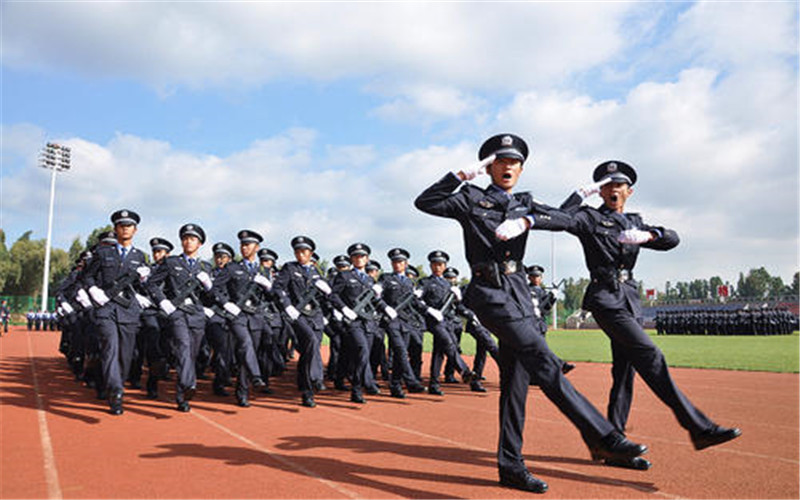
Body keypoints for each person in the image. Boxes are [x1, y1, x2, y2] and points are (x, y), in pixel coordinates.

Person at [415, 133, 647, 493]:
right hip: (489, 292)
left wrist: (571, 200)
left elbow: (563, 220)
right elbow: (425, 202)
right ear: (489, 166)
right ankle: (603, 436)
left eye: (514, 162)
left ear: (522, 169)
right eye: (501, 161)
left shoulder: (525, 202)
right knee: (544, 360)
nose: (508, 167)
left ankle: (510, 466)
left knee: (515, 385)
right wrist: (458, 176)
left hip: (520, 295)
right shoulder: (469, 199)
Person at [559, 160, 741, 468]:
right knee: (651, 354)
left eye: (619, 185)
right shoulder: (589, 218)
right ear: (600, 190)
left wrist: (651, 234)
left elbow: (673, 239)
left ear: (629, 192)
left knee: (625, 372)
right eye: (607, 185)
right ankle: (698, 427)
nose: (613, 190)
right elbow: (562, 217)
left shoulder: (634, 221)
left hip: (630, 301)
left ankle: (612, 444)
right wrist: (580, 193)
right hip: (605, 299)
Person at [81, 209, 150, 415]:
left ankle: (116, 384)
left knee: (125, 355)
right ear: (115, 229)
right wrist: (94, 291)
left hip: (129, 311)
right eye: (121, 225)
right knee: (110, 348)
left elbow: (143, 288)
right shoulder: (103, 254)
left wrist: (144, 280)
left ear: (135, 230)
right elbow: (86, 277)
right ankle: (116, 391)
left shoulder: (140, 256)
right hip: (107, 310)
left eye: (129, 226)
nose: (125, 229)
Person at [146, 224, 214, 412]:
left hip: (197, 314)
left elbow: (211, 297)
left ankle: (181, 396)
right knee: (183, 347)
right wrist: (163, 302)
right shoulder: (171, 262)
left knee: (191, 354)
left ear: (199, 243)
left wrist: (208, 285)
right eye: (185, 238)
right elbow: (152, 284)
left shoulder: (205, 267)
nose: (188, 242)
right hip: (177, 313)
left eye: (192, 239)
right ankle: (188, 384)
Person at [328, 243, 397, 403]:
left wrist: (386, 308)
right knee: (362, 350)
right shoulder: (344, 276)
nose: (359, 259)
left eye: (362, 256)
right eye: (356, 256)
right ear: (352, 259)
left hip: (368, 322)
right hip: (352, 322)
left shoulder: (369, 280)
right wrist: (344, 309)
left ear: (367, 259)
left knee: (353, 354)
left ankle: (347, 380)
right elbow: (333, 295)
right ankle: (357, 388)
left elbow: (375, 300)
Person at [209, 230, 271, 407]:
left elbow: (272, 296)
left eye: (248, 244)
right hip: (237, 315)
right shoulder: (232, 268)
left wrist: (268, 287)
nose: (244, 248)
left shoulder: (264, 271)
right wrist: (226, 304)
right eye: (242, 245)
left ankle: (242, 391)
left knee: (246, 353)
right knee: (245, 344)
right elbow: (214, 289)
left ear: (257, 247)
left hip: (256, 316)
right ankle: (256, 376)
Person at [273, 236, 330, 407]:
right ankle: (316, 380)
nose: (300, 254)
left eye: (304, 251)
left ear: (311, 254)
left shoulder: (316, 273)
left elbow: (326, 297)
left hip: (316, 317)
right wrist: (287, 305)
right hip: (299, 316)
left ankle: (306, 390)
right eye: (297, 251)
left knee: (309, 353)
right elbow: (278, 288)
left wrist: (328, 295)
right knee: (311, 342)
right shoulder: (289, 269)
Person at [417, 251, 476, 395]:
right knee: (449, 343)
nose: (438, 267)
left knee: (439, 352)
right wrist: (430, 310)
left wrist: (458, 298)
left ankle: (434, 384)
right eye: (435, 264)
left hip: (447, 321)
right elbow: (416, 301)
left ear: (445, 266)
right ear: (430, 265)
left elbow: (456, 306)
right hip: (433, 320)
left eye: (440, 264)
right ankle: (464, 370)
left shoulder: (448, 284)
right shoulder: (424, 283)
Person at [377, 248, 428, 398]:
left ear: (406, 264)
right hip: (391, 320)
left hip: (406, 321)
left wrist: (426, 307)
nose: (397, 264)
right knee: (400, 350)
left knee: (401, 353)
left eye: (400, 262)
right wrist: (385, 308)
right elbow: (376, 297)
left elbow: (415, 304)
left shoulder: (409, 282)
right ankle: (411, 381)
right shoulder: (385, 278)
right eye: (394, 261)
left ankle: (396, 385)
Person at [525, 265, 575, 375]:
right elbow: (540, 309)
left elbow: (546, 310)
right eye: (533, 276)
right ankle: (560, 365)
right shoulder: (528, 291)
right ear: (529, 277)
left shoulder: (541, 291)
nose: (536, 279)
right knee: (540, 350)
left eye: (538, 276)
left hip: (539, 324)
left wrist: (552, 297)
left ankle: (536, 375)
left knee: (537, 351)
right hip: (531, 324)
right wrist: (551, 296)